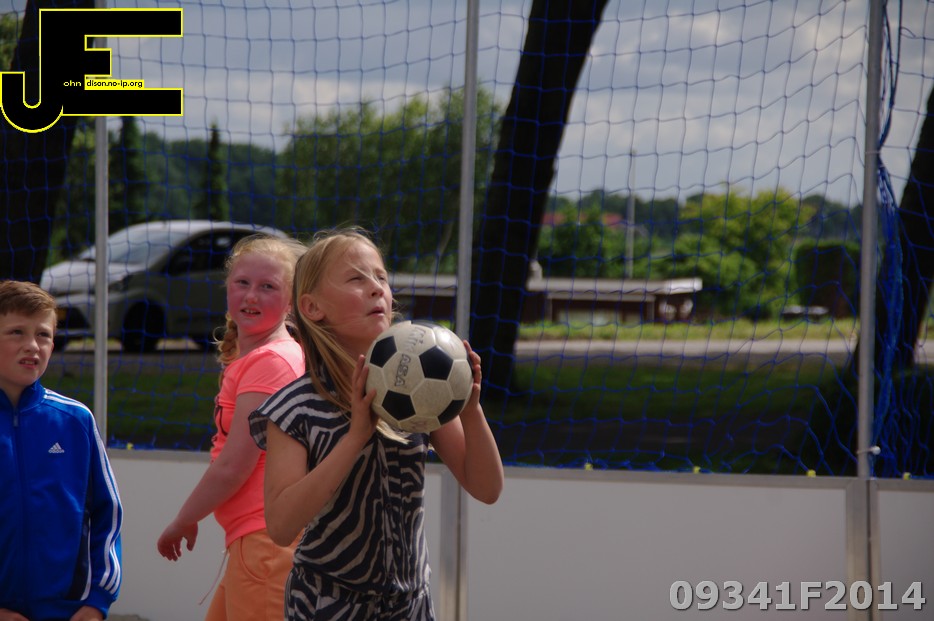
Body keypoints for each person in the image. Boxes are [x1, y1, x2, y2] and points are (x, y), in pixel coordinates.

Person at [248, 227, 504, 620]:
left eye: (381, 277)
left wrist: (470, 409)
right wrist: (355, 438)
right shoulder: (294, 407)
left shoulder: (421, 389)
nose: (375, 288)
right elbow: (281, 526)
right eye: (356, 278)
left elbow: (487, 488)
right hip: (328, 605)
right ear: (312, 307)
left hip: (410, 606)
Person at [157, 233, 308, 620]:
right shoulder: (259, 357)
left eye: (268, 287)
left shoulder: (273, 361)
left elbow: (234, 465)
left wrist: (184, 519)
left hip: (266, 547)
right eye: (242, 282)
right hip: (253, 543)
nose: (251, 295)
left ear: (291, 302)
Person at [0, 280, 123, 621]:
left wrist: (97, 601)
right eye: (16, 332)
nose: (32, 345)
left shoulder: (75, 419)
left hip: (67, 612)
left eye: (43, 334)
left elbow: (108, 514)